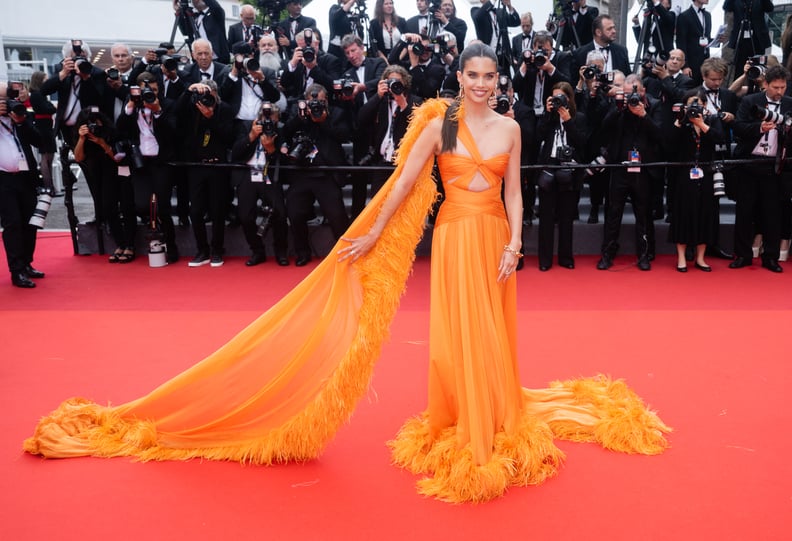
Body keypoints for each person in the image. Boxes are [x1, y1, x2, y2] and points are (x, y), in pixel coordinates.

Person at [23, 45, 670, 505]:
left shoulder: (511, 128)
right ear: (459, 78)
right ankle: (464, 418)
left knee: (494, 337)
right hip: (452, 240)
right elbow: (400, 189)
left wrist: (516, 242)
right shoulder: (436, 125)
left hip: (493, 243)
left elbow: (517, 196)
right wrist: (366, 231)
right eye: (470, 75)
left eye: (488, 75)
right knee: (459, 336)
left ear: (499, 80)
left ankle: (496, 412)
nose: (479, 83)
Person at [730, 65, 792, 272]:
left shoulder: (790, 105)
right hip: (749, 163)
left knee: (772, 214)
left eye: (783, 87)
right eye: (775, 87)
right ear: (765, 84)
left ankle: (771, 257)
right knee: (744, 211)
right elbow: (738, 127)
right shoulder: (750, 101)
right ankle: (743, 255)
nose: (779, 91)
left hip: (775, 166)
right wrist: (759, 128)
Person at [667, 89, 724, 272]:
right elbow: (668, 144)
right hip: (684, 175)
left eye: (698, 104)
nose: (695, 108)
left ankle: (700, 258)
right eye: (691, 104)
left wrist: (701, 123)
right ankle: (682, 257)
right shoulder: (680, 124)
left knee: (706, 214)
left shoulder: (712, 121)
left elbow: (719, 139)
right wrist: (681, 120)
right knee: (683, 214)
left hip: (706, 173)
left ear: (705, 105)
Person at [535, 82, 587, 271]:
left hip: (570, 169)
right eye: (554, 97)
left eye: (561, 98)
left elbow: (583, 144)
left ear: (569, 99)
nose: (558, 101)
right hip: (549, 167)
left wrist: (568, 121)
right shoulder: (547, 117)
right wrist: (548, 114)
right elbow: (537, 137)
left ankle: (566, 257)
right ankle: (545, 259)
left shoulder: (578, 117)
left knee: (566, 217)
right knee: (546, 217)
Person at [0, 81, 44, 288]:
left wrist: (20, 121)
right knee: (13, 224)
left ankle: (27, 263)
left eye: (8, 97)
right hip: (3, 180)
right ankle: (16, 270)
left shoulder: (22, 115)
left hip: (26, 176)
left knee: (30, 222)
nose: (5, 103)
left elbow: (40, 141)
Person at [675, 0, 713, 86]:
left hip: (706, 61)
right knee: (691, 90)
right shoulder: (684, 16)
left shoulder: (707, 15)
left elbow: (705, 37)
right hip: (691, 63)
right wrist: (684, 66)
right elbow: (681, 42)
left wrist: (717, 40)